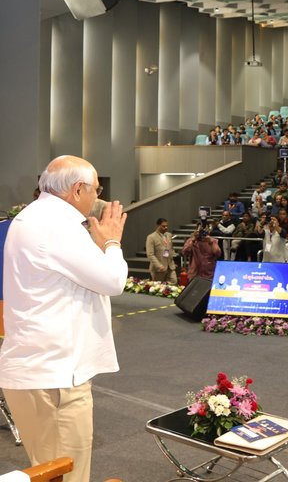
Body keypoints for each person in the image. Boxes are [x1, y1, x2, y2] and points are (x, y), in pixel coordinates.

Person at [0, 156, 128, 482]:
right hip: (54, 377)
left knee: (51, 471)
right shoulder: (57, 225)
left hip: (41, 371)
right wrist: (112, 241)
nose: (97, 198)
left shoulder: (33, 217)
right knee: (66, 475)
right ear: (77, 189)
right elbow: (112, 280)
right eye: (95, 190)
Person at [145, 217, 177, 283]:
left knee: (174, 282)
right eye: (163, 226)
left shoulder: (169, 235)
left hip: (170, 266)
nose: (166, 228)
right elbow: (150, 254)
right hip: (158, 269)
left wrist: (173, 259)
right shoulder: (151, 237)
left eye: (167, 226)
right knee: (159, 288)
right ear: (158, 226)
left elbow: (171, 248)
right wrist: (159, 265)